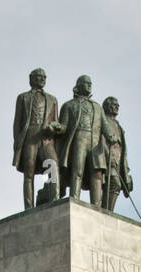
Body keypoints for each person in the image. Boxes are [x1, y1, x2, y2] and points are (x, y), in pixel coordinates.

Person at [12, 68, 62, 210]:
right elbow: (17, 123)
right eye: (38, 77)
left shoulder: (53, 99)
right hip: (30, 137)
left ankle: (53, 200)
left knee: (52, 166)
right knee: (29, 172)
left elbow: (57, 121)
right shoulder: (23, 97)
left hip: (46, 139)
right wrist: (17, 143)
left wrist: (54, 126)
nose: (41, 79)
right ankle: (29, 207)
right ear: (31, 78)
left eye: (44, 77)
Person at [56, 75, 107, 205]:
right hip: (79, 139)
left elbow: (104, 127)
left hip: (95, 143)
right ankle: (75, 198)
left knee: (96, 174)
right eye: (86, 83)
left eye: (90, 83)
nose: (89, 85)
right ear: (78, 86)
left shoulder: (97, 107)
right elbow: (64, 126)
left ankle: (96, 204)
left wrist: (112, 136)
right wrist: (57, 127)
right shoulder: (69, 105)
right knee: (77, 170)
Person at [100, 96, 132, 212]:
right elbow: (100, 140)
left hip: (118, 162)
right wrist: (108, 156)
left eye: (117, 105)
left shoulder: (119, 127)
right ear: (106, 106)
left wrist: (126, 172)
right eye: (113, 104)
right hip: (105, 159)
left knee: (113, 186)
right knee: (114, 183)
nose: (117, 106)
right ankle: (107, 212)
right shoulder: (104, 121)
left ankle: (106, 211)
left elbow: (123, 151)